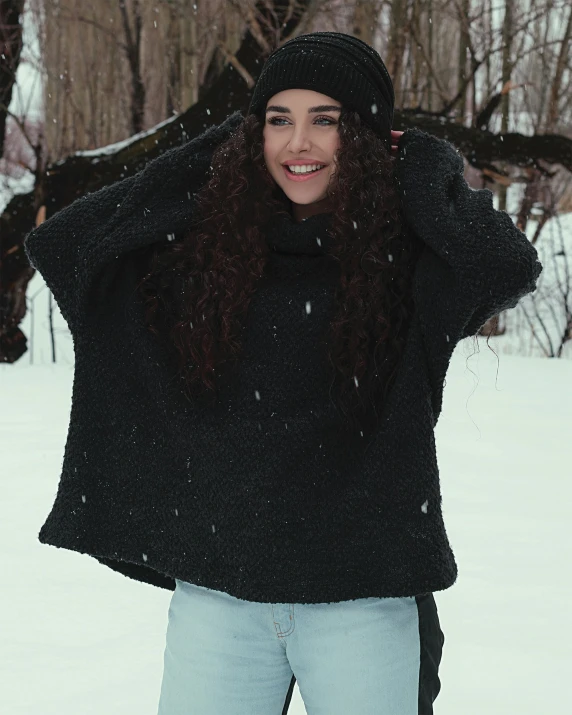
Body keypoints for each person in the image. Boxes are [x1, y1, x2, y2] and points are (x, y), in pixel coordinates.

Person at [24, 31, 542, 715]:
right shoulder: (208, 256)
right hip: (222, 602)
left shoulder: (408, 260)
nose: (298, 142)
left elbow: (504, 263)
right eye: (277, 119)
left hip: (363, 600)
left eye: (325, 120)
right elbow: (70, 243)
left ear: (364, 136)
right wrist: (224, 147)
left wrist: (416, 155)